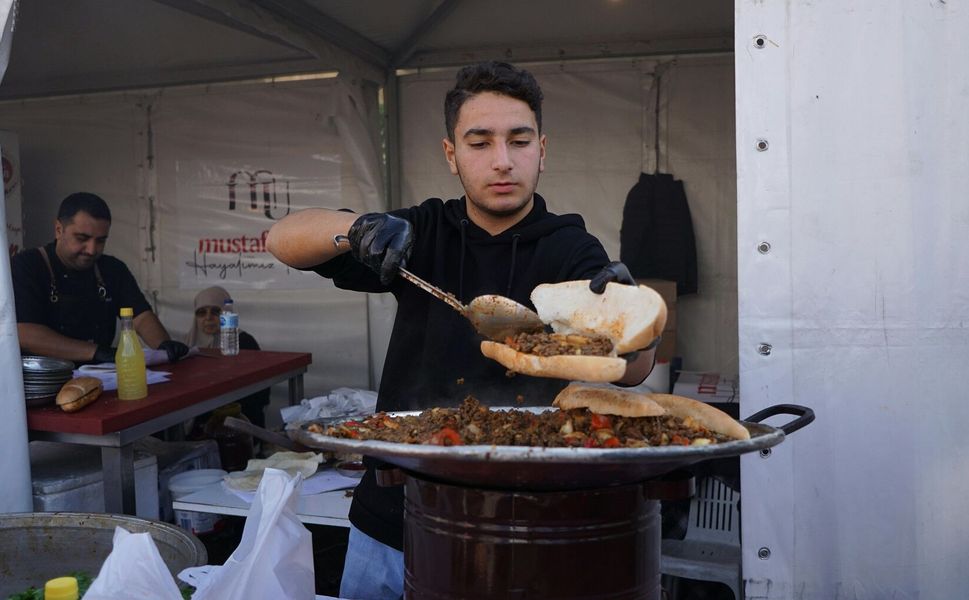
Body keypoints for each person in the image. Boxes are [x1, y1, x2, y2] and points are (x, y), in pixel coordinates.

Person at [266, 61, 657, 599]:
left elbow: (634, 372)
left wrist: (631, 325)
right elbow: (282, 239)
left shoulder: (570, 248)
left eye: (518, 141)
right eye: (480, 142)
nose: (502, 161)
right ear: (451, 154)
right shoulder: (422, 231)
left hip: (517, 525)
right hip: (392, 514)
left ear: (542, 149)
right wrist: (354, 230)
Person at [12, 192, 189, 365]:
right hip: (43, 383)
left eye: (100, 241)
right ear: (59, 230)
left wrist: (163, 346)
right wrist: (95, 352)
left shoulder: (112, 269)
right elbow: (24, 333)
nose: (91, 249)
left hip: (100, 379)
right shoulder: (26, 266)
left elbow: (140, 317)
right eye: (82, 238)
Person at [185, 285, 270, 428]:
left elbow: (260, 394)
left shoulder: (244, 342)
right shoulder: (189, 344)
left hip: (240, 422)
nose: (208, 318)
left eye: (215, 311)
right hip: (201, 423)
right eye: (201, 312)